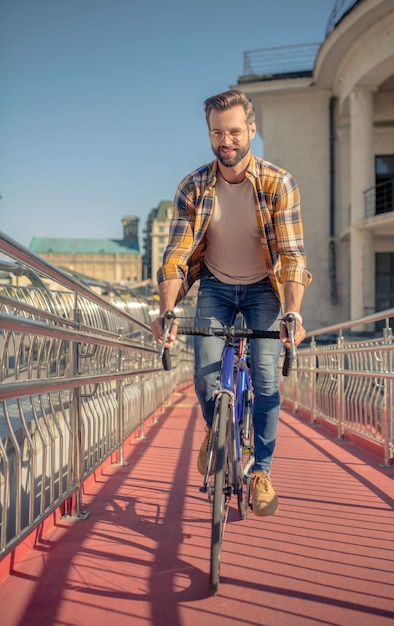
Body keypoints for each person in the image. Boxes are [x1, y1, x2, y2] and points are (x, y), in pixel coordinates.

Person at [151, 89, 311, 516]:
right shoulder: (193, 185)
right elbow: (177, 257)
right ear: (209, 134)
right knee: (203, 374)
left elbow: (293, 257)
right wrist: (167, 311)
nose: (227, 140)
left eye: (235, 131)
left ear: (252, 131)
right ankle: (215, 429)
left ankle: (261, 469)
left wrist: (292, 312)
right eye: (217, 132)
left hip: (263, 287)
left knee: (264, 377)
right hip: (216, 286)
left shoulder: (280, 183)